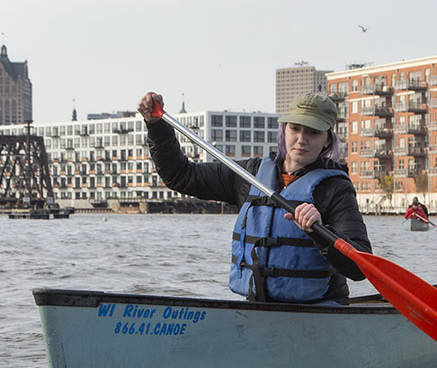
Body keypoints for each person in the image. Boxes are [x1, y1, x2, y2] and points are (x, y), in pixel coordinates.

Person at [137, 91, 372, 305]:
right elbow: (181, 176)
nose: (302, 139)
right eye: (295, 128)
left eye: (313, 132)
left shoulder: (336, 188)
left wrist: (322, 233)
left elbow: (361, 267)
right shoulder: (249, 174)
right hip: (259, 307)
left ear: (327, 140)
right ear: (284, 130)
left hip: (319, 311)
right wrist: (157, 127)